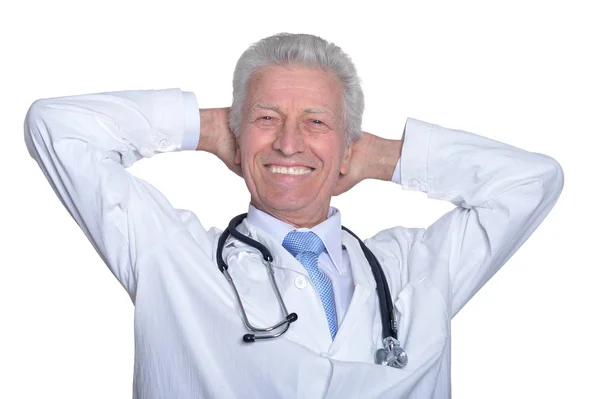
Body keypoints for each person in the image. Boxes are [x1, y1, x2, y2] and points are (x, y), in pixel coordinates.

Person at [23, 33, 563, 398]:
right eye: (265, 118)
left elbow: (533, 182)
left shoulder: (416, 269)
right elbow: (56, 128)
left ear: (347, 141)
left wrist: (379, 156)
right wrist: (209, 127)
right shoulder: (171, 256)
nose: (287, 143)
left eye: (316, 123)